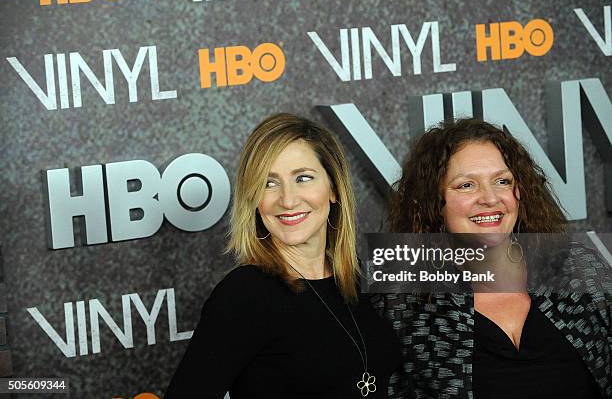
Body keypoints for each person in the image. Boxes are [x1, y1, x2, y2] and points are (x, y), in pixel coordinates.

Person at [164, 113, 400, 399]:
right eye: (269, 183)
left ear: (334, 188)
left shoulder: (364, 278)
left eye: (303, 178)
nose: (288, 200)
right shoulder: (243, 295)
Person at [382, 118, 611, 398]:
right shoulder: (404, 301)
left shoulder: (579, 268)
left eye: (502, 181)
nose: (490, 198)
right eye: (466, 185)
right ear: (433, 203)